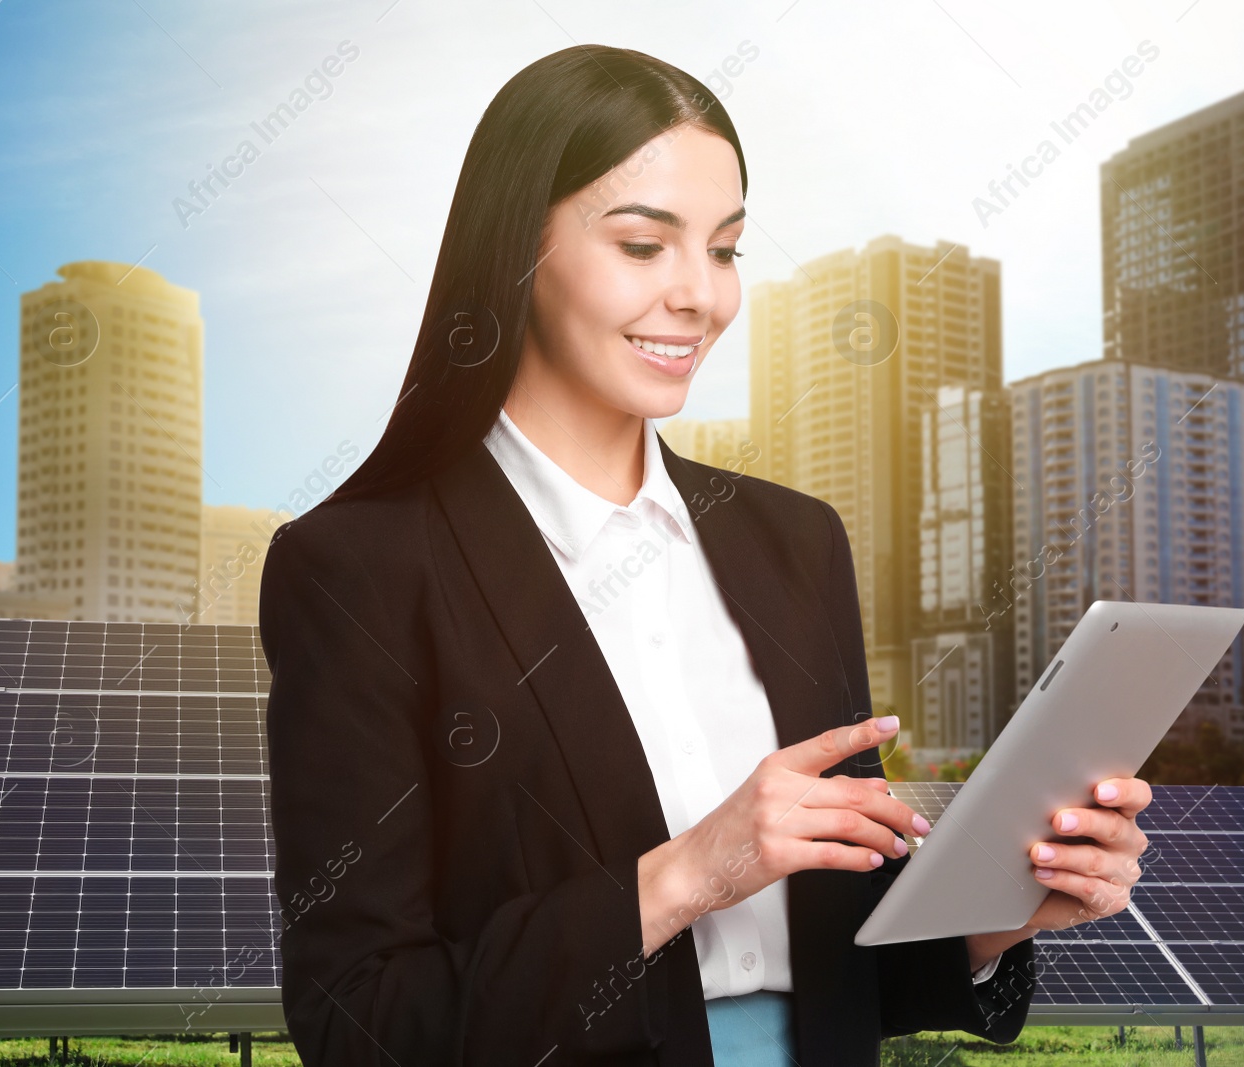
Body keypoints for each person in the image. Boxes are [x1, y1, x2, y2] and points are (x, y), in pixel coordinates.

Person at [258, 43, 1151, 1066]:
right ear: (514, 250)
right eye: (644, 245)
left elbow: (834, 969)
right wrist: (687, 872)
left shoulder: (794, 543)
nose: (700, 297)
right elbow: (362, 1019)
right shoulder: (361, 568)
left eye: (724, 249)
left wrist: (1002, 912)